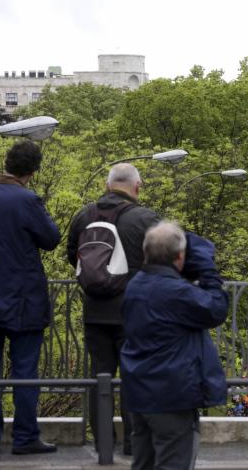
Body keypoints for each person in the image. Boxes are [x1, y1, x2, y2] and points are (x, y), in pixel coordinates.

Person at [66, 163, 159, 454]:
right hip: (135, 311)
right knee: (135, 376)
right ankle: (134, 443)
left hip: (95, 309)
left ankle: (103, 441)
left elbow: (74, 256)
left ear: (107, 185)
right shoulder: (146, 218)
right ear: (137, 187)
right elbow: (164, 259)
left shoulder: (84, 215)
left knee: (99, 377)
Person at [121, 221, 229, 470]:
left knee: (143, 464)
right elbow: (215, 308)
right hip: (171, 394)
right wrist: (206, 269)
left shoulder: (135, 285)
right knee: (174, 463)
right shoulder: (176, 293)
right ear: (180, 256)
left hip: (139, 392)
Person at [0, 141, 61, 455]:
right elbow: (51, 239)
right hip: (23, 302)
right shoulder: (27, 200)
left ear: (6, 163)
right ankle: (25, 437)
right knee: (25, 372)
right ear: (33, 170)